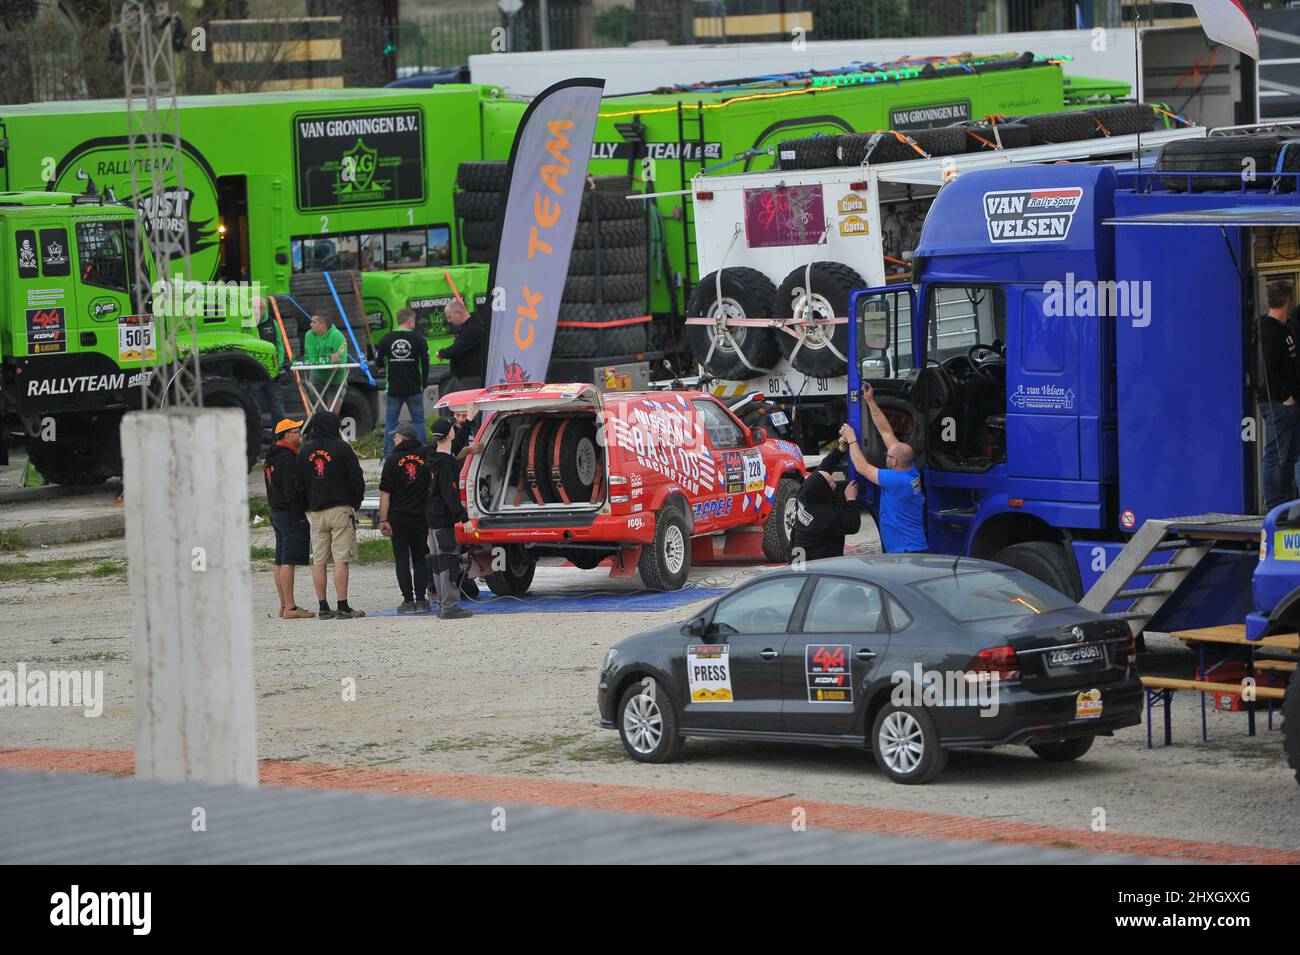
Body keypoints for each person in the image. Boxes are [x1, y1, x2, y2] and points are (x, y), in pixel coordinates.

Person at [842, 384, 928, 553]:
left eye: (888, 455)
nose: (885, 455)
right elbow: (886, 432)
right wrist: (871, 402)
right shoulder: (910, 470)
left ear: (894, 462)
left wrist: (851, 439)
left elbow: (862, 467)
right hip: (911, 547)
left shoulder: (896, 481)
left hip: (905, 552)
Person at [296, 411, 366, 620]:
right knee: (340, 560)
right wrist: (356, 502)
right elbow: (357, 479)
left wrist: (305, 507)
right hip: (340, 509)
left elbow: (298, 484)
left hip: (316, 512)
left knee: (319, 561)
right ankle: (343, 606)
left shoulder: (305, 451)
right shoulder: (342, 448)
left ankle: (323, 606)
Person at [264, 418, 314, 619]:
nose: (300, 434)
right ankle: (291, 608)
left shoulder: (271, 457)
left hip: (276, 511)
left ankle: (284, 604)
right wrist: (301, 511)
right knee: (288, 561)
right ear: (286, 434)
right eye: (296, 431)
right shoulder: (288, 459)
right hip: (288, 512)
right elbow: (291, 490)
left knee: (280, 560)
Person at [379, 421, 431, 614]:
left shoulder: (392, 460)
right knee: (420, 558)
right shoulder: (425, 455)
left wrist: (383, 520)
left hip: (397, 517)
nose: (394, 439)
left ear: (401, 437)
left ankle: (408, 601)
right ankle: (422, 599)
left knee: (401, 559)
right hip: (420, 516)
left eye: (395, 436)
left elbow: (385, 493)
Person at [425, 417, 473, 620]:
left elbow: (455, 445)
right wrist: (463, 518)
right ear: (449, 433)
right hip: (444, 519)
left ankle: (441, 602)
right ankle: (450, 606)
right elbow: (450, 494)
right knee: (449, 561)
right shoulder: (446, 464)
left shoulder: (431, 456)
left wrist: (468, 420)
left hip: (431, 518)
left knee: (437, 561)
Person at [1259, 281, 1300, 511]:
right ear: (1287, 300)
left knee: (1288, 456)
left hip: (1286, 403)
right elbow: (1268, 368)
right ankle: (1275, 505)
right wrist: (1286, 396)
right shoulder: (1268, 330)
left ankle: (1284, 504)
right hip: (1278, 403)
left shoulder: (1283, 329)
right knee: (1276, 455)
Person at [790, 433, 862, 562]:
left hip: (798, 560)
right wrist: (851, 499)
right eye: (832, 483)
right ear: (825, 492)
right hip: (817, 565)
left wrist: (840, 450)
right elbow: (853, 524)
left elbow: (822, 470)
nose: (833, 478)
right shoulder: (825, 515)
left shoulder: (805, 492)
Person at [376, 308, 430, 456]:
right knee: (418, 422)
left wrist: (382, 366)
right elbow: (425, 364)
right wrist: (424, 384)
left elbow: (379, 361)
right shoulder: (419, 339)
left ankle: (388, 455)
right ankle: (422, 451)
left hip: (393, 388)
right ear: (410, 321)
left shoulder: (386, 339)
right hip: (414, 388)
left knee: (391, 423)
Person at [251, 298, 288, 424]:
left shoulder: (272, 323)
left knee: (277, 409)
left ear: (263, 308)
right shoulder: (245, 323)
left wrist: (279, 363)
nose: (255, 311)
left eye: (258, 308)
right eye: (253, 308)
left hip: (271, 373)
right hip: (253, 374)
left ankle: (279, 438)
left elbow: (280, 345)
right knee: (253, 409)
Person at [304, 314, 349, 414]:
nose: (310, 324)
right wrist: (329, 358)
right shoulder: (309, 335)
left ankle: (332, 428)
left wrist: (326, 360)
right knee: (320, 413)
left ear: (323, 325)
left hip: (336, 380)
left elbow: (341, 361)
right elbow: (310, 359)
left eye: (314, 322)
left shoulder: (337, 336)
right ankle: (321, 428)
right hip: (317, 377)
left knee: (332, 415)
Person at [437, 300, 484, 393]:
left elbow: (458, 348)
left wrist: (442, 353)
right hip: (463, 376)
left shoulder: (472, 329)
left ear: (459, 313)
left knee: (466, 405)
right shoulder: (466, 327)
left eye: (449, 317)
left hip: (471, 378)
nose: (448, 320)